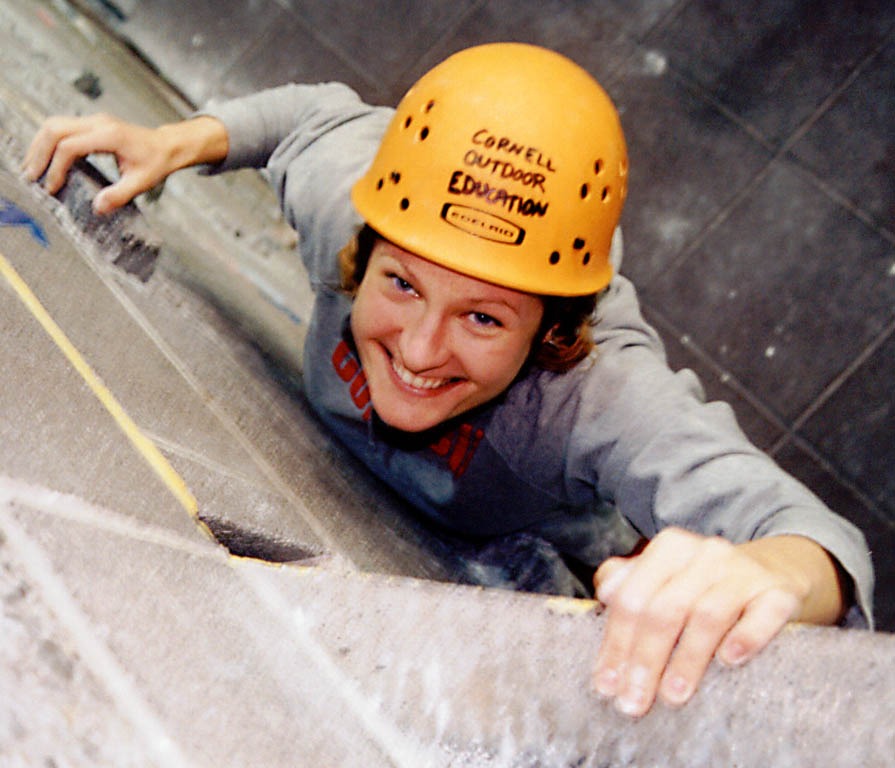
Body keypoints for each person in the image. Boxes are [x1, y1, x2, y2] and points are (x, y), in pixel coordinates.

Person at [22, 43, 873, 718]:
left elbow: (815, 544)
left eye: (483, 319)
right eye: (400, 286)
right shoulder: (351, 212)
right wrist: (175, 141)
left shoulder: (595, 393)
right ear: (364, 248)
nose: (423, 347)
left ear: (550, 331)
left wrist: (761, 578)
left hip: (527, 552)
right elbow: (307, 116)